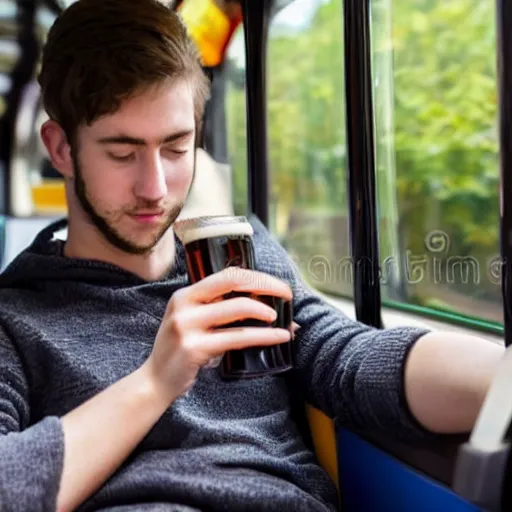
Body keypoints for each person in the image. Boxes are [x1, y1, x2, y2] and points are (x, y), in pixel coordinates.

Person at [0, 1, 504, 511]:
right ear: (61, 149)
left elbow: (351, 359)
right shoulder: (14, 319)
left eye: (176, 149)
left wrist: (501, 377)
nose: (154, 187)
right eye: (122, 153)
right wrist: (156, 381)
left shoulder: (240, 257)